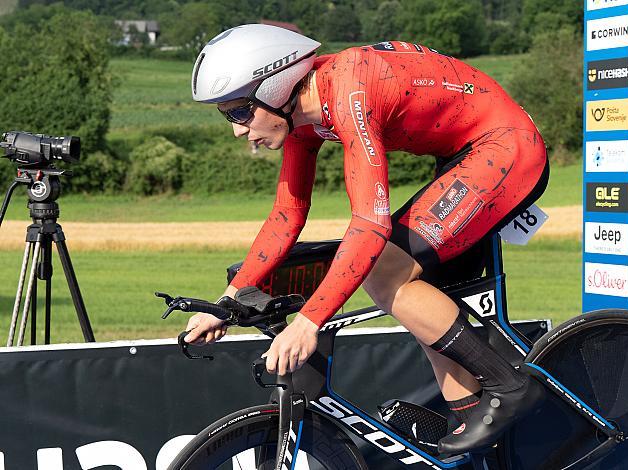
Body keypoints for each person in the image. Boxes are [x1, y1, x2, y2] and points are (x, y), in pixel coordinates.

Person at [184, 24, 548, 453]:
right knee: (420, 301)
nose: (238, 131)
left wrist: (309, 323)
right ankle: (476, 431)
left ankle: (510, 387)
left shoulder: (351, 92)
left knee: (384, 274)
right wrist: (226, 302)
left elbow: (369, 225)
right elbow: (287, 214)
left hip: (505, 147)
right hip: (462, 154)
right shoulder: (301, 115)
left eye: (239, 113)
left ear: (276, 87)